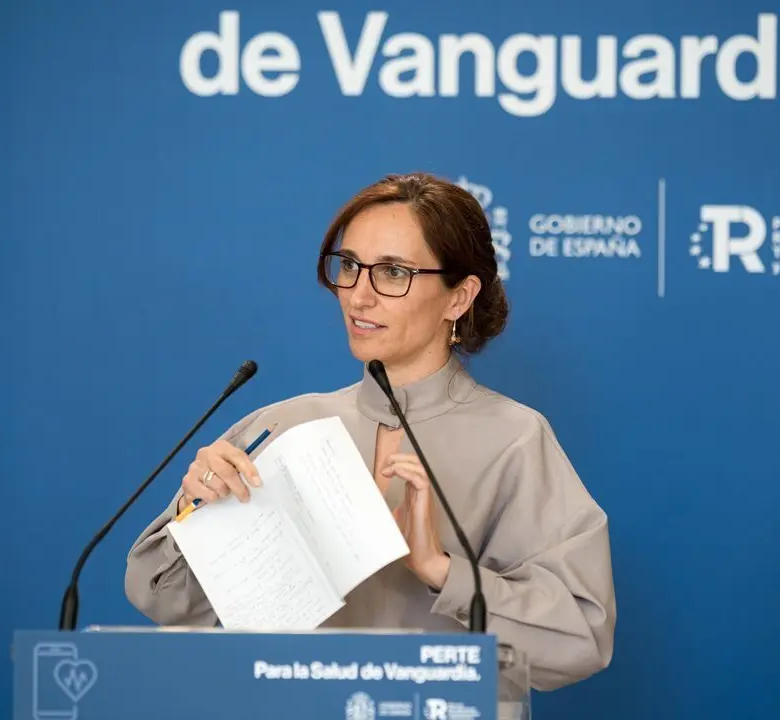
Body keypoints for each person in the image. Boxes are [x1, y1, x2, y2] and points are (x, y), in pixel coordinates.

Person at [124, 172, 616, 690]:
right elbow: (162, 597)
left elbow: (581, 637)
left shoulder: (514, 439)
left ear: (458, 297)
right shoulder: (282, 426)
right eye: (350, 266)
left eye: (393, 272)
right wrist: (196, 508)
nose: (358, 296)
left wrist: (441, 570)